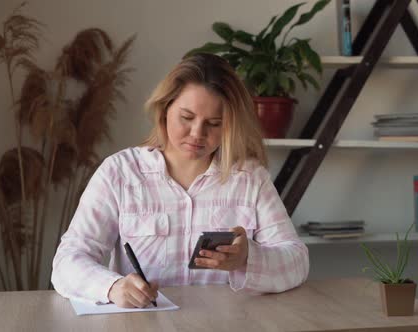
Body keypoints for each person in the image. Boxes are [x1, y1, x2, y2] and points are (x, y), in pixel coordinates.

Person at [51, 53, 310, 308]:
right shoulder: (120, 173)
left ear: (230, 125)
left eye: (214, 123)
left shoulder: (250, 178)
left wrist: (248, 258)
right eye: (186, 118)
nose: (197, 133)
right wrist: (112, 287)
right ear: (164, 109)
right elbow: (67, 262)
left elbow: (297, 262)